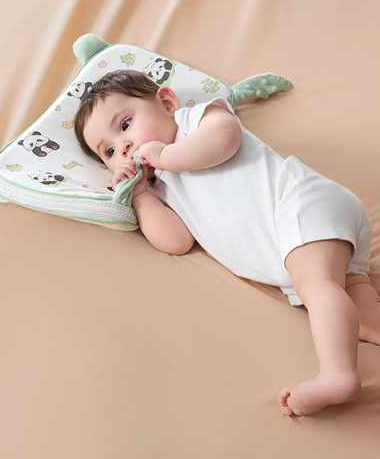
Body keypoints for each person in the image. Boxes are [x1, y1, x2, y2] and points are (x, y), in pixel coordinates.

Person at [74, 69, 380, 416]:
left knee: (317, 284)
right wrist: (141, 196)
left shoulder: (196, 121)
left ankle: (337, 374)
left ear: (167, 103)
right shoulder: (159, 188)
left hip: (303, 204)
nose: (124, 146)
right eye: (109, 150)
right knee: (356, 313)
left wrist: (164, 156)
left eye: (126, 125)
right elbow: (176, 241)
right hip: (294, 246)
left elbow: (225, 139)